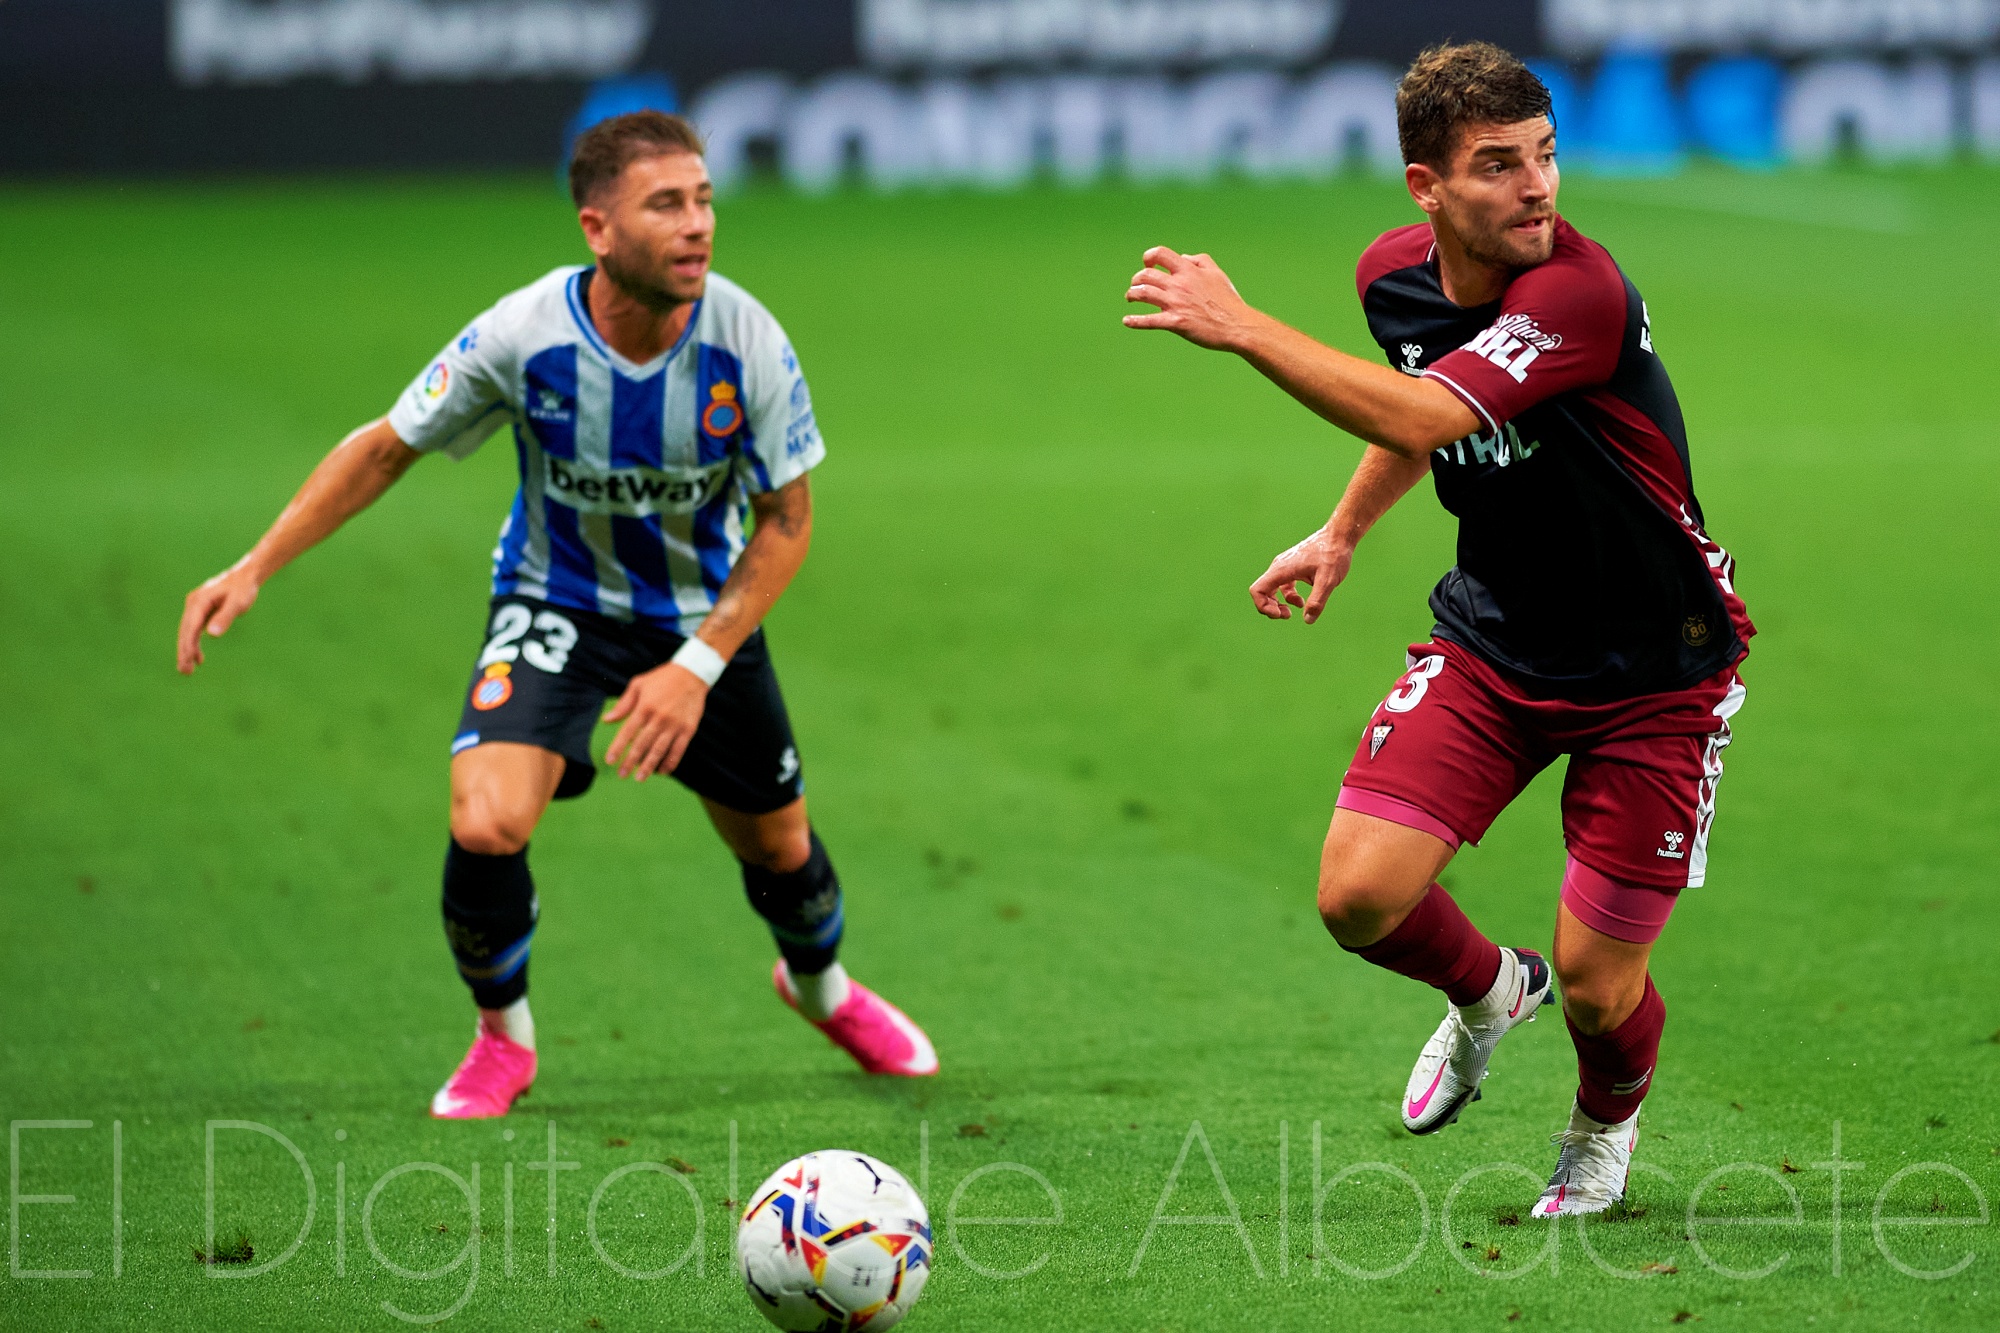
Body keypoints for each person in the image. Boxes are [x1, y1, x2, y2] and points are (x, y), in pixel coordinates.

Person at [177, 110, 938, 1119]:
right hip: (555, 603)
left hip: (702, 621)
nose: (697, 224)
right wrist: (256, 564)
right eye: (665, 204)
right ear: (597, 228)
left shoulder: (746, 340)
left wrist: (696, 666)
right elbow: (386, 445)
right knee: (485, 819)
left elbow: (787, 523)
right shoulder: (522, 334)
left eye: (703, 199)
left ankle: (822, 990)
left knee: (778, 849)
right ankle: (503, 1039)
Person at [1121, 42, 1751, 1217]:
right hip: (1494, 642)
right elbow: (1421, 412)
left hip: (1653, 673)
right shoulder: (1391, 278)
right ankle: (1487, 992)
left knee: (1598, 988)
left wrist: (1244, 327)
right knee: (1357, 896)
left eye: (1545, 155)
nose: (1536, 187)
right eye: (1497, 165)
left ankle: (1598, 1130)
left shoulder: (1576, 293)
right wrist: (1342, 529)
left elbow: (1424, 407)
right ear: (1426, 186)